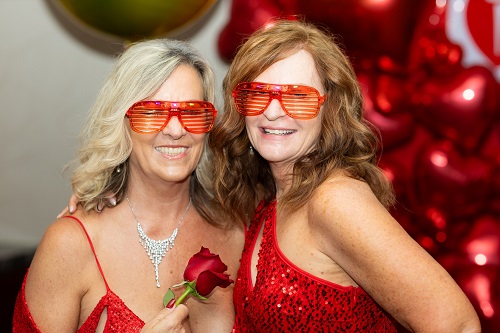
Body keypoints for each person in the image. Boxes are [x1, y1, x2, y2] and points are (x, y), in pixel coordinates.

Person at [207, 19, 481, 332]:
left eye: (298, 97)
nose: (272, 112)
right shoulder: (269, 201)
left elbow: (458, 325)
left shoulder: (335, 201)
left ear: (331, 107)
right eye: (258, 94)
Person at [12, 38, 244, 333]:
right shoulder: (72, 245)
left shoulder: (237, 233)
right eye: (152, 113)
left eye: (192, 112)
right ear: (122, 123)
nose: (176, 130)